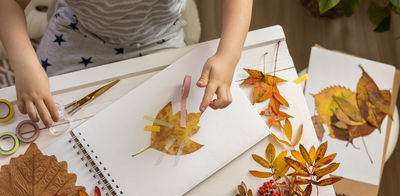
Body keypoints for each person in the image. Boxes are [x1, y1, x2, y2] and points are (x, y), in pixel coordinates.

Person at [0, 0, 253, 127]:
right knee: (46, 123)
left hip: (158, 39)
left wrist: (228, 55)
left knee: (168, 122)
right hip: (78, 35)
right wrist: (23, 63)